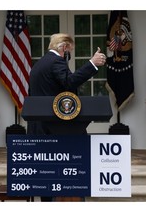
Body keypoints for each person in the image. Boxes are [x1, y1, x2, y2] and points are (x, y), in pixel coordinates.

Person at [27, 33, 107, 201]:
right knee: (64, 173)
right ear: (63, 47)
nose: (68, 55)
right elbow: (69, 82)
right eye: (69, 51)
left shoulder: (39, 64)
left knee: (46, 175)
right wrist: (92, 64)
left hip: (40, 128)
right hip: (57, 129)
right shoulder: (56, 61)